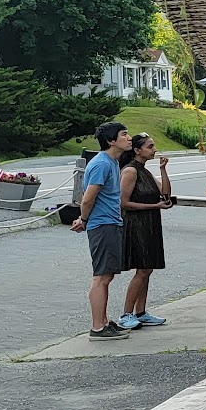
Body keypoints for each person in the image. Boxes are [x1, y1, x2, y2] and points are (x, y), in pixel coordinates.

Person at [70, 120, 129, 340]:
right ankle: (97, 327)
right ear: (111, 141)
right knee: (101, 276)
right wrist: (83, 219)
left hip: (111, 223)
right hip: (102, 224)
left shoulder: (112, 162)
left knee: (108, 274)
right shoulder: (102, 164)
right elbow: (88, 199)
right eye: (124, 134)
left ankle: (104, 321)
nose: (128, 137)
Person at [118, 133, 174, 329]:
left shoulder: (145, 171)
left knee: (147, 268)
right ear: (137, 150)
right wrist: (154, 207)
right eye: (150, 147)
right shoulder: (131, 171)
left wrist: (163, 170)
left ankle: (140, 312)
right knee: (142, 270)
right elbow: (123, 203)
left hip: (150, 223)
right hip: (136, 224)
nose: (155, 149)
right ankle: (126, 314)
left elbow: (165, 193)